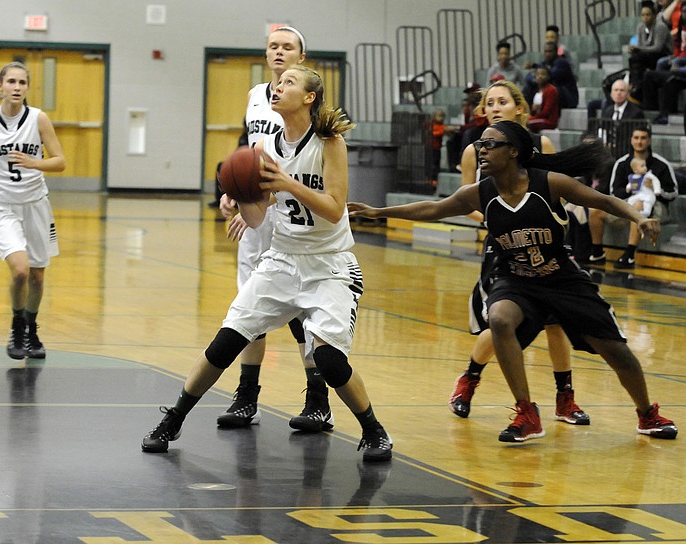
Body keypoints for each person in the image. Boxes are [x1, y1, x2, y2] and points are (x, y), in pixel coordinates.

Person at [348, 121, 678, 443]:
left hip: (562, 279)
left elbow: (602, 201)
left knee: (616, 352)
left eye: (490, 144)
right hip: (516, 279)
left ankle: (647, 413)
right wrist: (378, 212)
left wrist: (639, 217)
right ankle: (527, 413)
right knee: (500, 318)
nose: (482, 150)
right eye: (479, 144)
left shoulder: (550, 183)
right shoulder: (479, 194)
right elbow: (433, 209)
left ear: (514, 152)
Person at [142, 66, 393, 462]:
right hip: (282, 260)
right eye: (277, 83)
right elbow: (259, 218)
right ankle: (172, 419)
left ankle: (374, 431)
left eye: (289, 82)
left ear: (309, 97)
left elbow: (333, 209)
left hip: (330, 265)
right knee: (227, 340)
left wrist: (287, 183)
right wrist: (238, 199)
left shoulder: (330, 143)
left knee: (327, 358)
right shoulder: (266, 148)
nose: (278, 86)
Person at [448, 80, 587, 425]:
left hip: (546, 243)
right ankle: (469, 379)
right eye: (489, 103)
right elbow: (466, 203)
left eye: (502, 102)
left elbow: (561, 191)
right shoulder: (474, 152)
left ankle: (564, 398)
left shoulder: (542, 145)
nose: (494, 107)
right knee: (498, 324)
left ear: (520, 109)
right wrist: (499, 218)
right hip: (503, 245)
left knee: (557, 322)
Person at [217, 27, 334, 433]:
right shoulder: (255, 95)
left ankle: (318, 399)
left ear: (302, 55)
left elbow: (316, 168)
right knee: (249, 307)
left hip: (294, 218)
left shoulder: (309, 104)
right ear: (266, 54)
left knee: (302, 312)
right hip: (258, 220)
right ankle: (247, 398)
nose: (279, 52)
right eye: (274, 46)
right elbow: (247, 151)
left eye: (288, 47)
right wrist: (234, 191)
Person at [0, 62, 66, 360]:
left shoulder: (39, 119)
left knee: (38, 277)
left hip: (35, 203)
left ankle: (32, 328)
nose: (17, 87)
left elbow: (60, 161)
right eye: (12, 82)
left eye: (22, 83)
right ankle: (17, 325)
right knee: (20, 270)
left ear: (27, 88)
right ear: (0, 85)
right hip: (1, 204)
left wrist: (35, 163)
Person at [587, 126, 678, 268]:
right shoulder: (622, 163)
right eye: (636, 138)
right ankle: (597, 251)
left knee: (638, 206)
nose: (639, 141)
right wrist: (631, 190)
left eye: (643, 138)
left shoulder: (661, 164)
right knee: (595, 209)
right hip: (628, 202)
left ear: (649, 141)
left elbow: (673, 193)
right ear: (631, 140)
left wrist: (656, 190)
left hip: (656, 205)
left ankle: (629, 254)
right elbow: (614, 192)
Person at [628, 1, 673, 103]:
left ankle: (637, 89)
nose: (645, 17)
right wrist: (633, 49)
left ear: (654, 15)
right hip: (648, 54)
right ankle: (636, 86)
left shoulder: (660, 26)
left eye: (648, 15)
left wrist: (639, 49)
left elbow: (658, 47)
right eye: (643, 15)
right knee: (633, 58)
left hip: (664, 53)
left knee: (637, 57)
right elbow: (640, 45)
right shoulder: (640, 27)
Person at [523, 42, 578, 110]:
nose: (548, 54)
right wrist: (536, 79)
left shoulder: (562, 62)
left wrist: (537, 78)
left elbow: (549, 76)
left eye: (550, 51)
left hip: (568, 98)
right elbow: (528, 77)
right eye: (546, 51)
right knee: (529, 87)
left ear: (555, 52)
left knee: (550, 87)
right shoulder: (544, 63)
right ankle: (526, 109)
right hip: (554, 95)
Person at [528, 68, 560, 132]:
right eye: (538, 74)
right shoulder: (538, 91)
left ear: (548, 77)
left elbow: (546, 112)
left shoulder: (551, 90)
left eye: (543, 74)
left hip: (548, 121)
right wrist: (533, 110)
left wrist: (530, 118)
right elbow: (535, 111)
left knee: (524, 122)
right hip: (539, 118)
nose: (540, 76)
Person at [430, 109, 446, 181]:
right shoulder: (433, 125)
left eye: (442, 116)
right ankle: (433, 179)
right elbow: (433, 133)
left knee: (437, 163)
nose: (441, 118)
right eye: (439, 116)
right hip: (432, 147)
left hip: (437, 148)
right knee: (433, 163)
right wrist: (443, 131)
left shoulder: (441, 125)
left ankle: (436, 178)